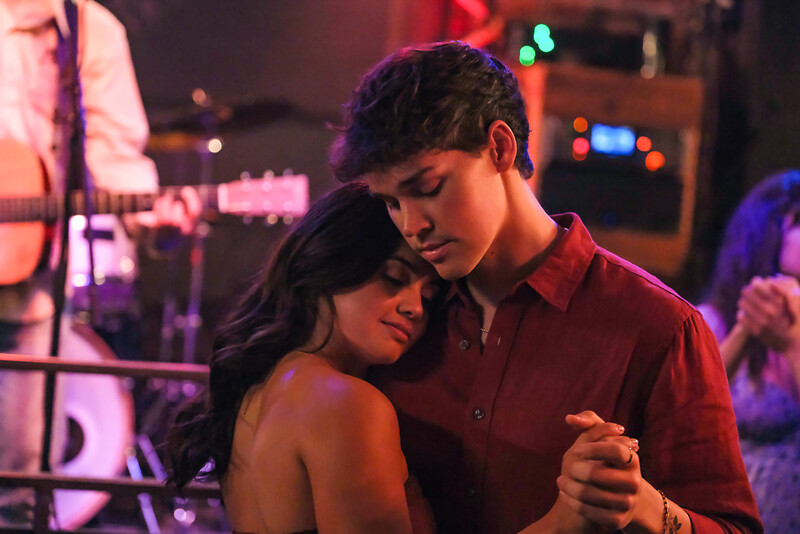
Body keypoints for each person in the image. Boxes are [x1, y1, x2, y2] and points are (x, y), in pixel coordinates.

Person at [330, 41, 762, 533]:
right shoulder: (395, 313)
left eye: (427, 189)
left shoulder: (659, 329)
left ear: (499, 148)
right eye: (391, 203)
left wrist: (646, 508)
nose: (412, 225)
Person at [0, 0, 199, 525]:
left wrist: (153, 219)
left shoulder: (87, 28)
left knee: (20, 496)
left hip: (24, 292)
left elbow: (113, 158)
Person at [167, 183, 445, 533]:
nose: (415, 307)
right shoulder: (348, 405)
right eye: (394, 278)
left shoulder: (253, 391)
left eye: (429, 297)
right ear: (329, 262)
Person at [697, 170, 800, 533]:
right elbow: (692, 411)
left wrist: (792, 344)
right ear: (773, 229)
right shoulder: (711, 321)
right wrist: (746, 327)